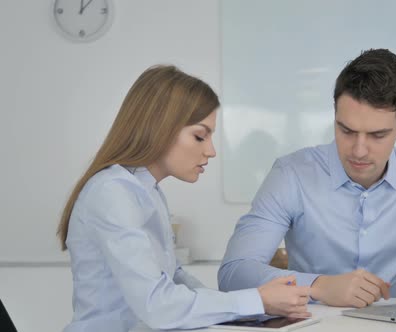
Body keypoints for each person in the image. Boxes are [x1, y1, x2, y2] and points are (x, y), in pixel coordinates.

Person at [57, 65, 311, 332]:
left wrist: (250, 311)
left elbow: (174, 278)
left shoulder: (147, 191)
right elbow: (158, 305)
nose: (211, 151)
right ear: (159, 128)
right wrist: (255, 301)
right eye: (200, 136)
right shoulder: (112, 193)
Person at [218, 49, 396, 308]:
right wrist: (319, 286)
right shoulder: (291, 175)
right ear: (334, 116)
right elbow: (233, 273)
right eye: (347, 130)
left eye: (377, 135)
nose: (359, 150)